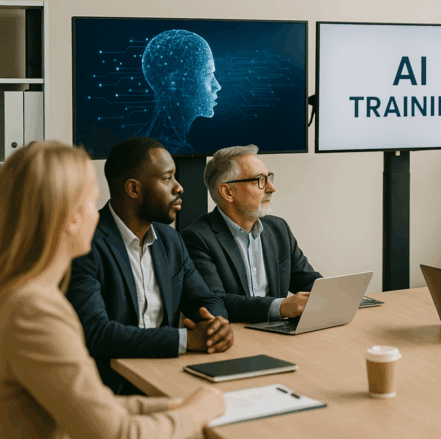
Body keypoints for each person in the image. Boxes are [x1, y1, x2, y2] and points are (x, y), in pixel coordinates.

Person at [0, 141, 225, 439]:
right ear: (71, 218)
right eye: (90, 201)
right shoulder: (34, 312)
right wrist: (195, 413)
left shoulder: (26, 296)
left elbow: (96, 406)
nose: (97, 214)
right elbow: (117, 434)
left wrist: (174, 405)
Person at [66, 136, 234, 395]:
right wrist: (186, 339)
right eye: (167, 178)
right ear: (134, 189)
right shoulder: (86, 244)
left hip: (168, 374)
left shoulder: (170, 240)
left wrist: (216, 325)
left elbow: (206, 299)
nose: (179, 188)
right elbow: (96, 333)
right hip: (112, 390)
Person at [181, 145, 322, 323]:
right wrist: (281, 307)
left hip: (278, 331)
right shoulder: (196, 238)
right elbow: (215, 301)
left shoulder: (278, 229)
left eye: (268, 178)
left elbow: (308, 281)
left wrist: (336, 295)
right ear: (227, 192)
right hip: (237, 335)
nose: (271, 188)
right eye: (259, 180)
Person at [136, 29, 221, 154]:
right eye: (207, 74)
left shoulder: (145, 148)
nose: (217, 86)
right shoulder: (170, 151)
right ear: (176, 82)